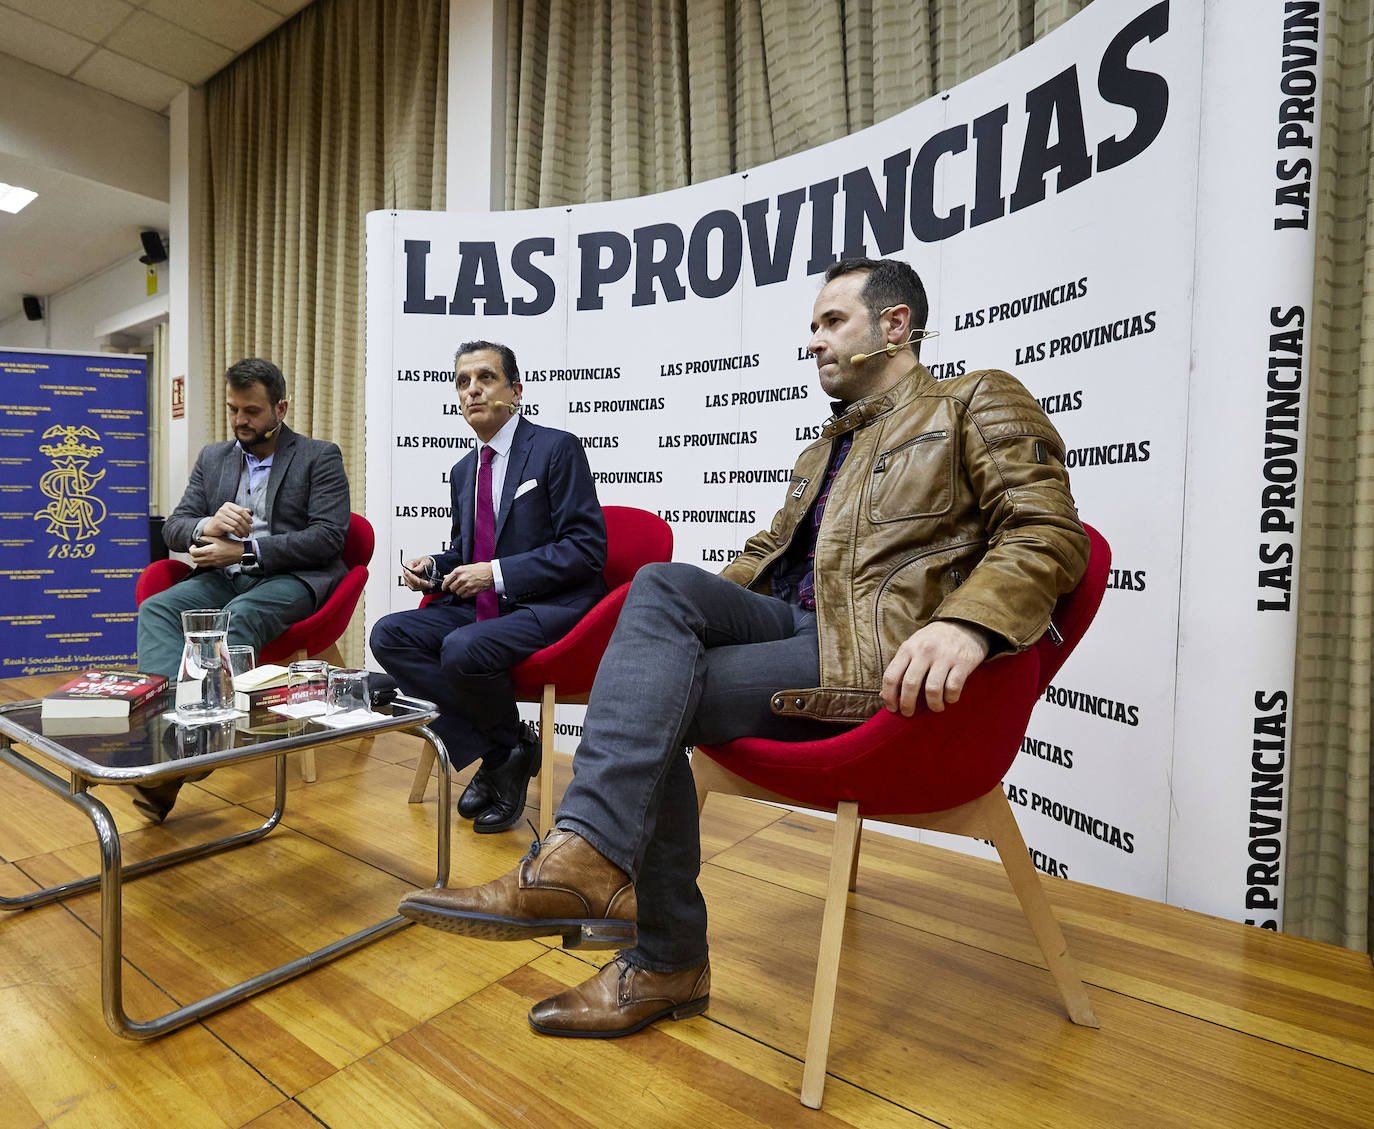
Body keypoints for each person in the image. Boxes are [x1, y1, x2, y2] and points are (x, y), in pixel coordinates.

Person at [394, 258, 1090, 1039]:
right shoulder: (826, 448)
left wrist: (967, 622)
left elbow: (1048, 531)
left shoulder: (973, 400)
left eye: (833, 323)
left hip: (877, 649)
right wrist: (684, 626)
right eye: (814, 326)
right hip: (792, 629)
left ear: (895, 325)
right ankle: (592, 869)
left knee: (659, 696)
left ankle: (647, 936)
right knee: (659, 591)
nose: (815, 342)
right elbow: (762, 560)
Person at [369, 341, 607, 833]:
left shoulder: (555, 448)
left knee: (462, 648)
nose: (472, 390)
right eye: (461, 382)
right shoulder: (463, 471)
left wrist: (494, 573)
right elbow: (466, 551)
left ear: (515, 391)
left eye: (485, 378)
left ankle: (502, 756)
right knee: (388, 635)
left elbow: (586, 550)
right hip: (488, 605)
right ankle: (505, 750)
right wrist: (434, 566)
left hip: (553, 605)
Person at [134, 357, 351, 820]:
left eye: (251, 411)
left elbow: (330, 537)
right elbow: (174, 527)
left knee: (236, 621)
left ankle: (181, 758)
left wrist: (247, 551)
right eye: (233, 409)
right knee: (156, 609)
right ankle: (177, 732)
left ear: (281, 407)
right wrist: (206, 524)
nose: (239, 421)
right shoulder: (214, 458)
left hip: (289, 577)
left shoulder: (319, 456)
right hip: (220, 578)